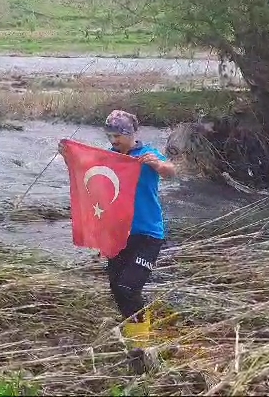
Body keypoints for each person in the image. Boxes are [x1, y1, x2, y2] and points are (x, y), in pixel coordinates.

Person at [58, 109, 176, 372]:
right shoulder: (111, 158)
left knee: (128, 288)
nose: (114, 140)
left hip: (148, 235)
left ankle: (142, 348)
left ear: (132, 134)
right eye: (110, 135)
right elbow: (87, 171)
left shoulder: (146, 155)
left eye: (118, 136)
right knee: (116, 287)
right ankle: (136, 341)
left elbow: (171, 171)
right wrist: (69, 156)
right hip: (118, 234)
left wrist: (157, 165)